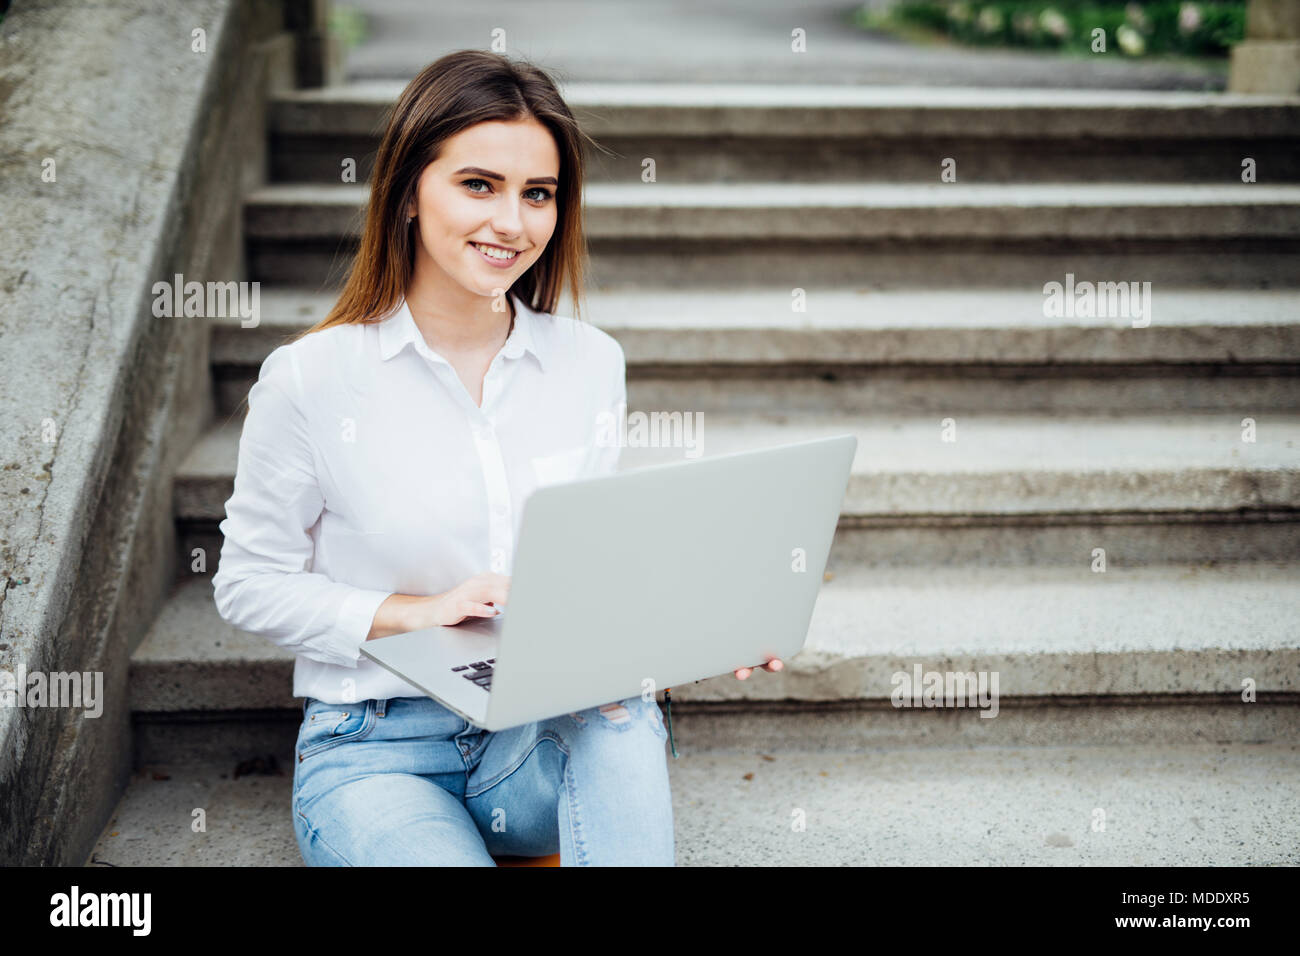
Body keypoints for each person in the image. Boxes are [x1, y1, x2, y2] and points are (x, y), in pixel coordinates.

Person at [211, 50, 781, 867]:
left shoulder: (589, 362)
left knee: (619, 707)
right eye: (479, 184)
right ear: (410, 191)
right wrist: (417, 611)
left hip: (535, 736)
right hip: (374, 748)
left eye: (537, 194)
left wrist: (699, 624)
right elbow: (248, 584)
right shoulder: (312, 378)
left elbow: (582, 571)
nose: (512, 224)